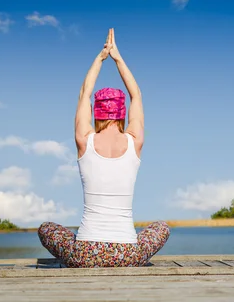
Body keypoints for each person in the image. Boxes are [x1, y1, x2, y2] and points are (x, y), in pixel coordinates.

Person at [37, 28, 170, 268]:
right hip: (127, 254)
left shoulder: (84, 140)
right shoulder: (134, 141)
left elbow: (83, 94)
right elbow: (136, 95)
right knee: (161, 227)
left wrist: (100, 58)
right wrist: (118, 58)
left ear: (96, 114)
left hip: (85, 254)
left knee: (46, 229)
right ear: (122, 115)